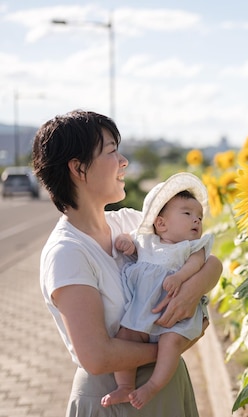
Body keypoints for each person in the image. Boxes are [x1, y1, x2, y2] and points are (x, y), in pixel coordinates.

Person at [32, 109, 223, 417]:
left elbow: (210, 261)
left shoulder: (131, 223)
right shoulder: (67, 253)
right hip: (115, 400)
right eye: (112, 152)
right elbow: (96, 357)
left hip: (169, 385)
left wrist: (193, 289)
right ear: (78, 169)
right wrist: (172, 347)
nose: (124, 162)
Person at [102, 172, 214, 409]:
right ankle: (124, 386)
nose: (196, 220)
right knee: (126, 337)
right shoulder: (146, 240)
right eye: (187, 214)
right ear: (161, 222)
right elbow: (130, 243)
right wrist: (126, 242)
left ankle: (153, 385)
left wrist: (180, 277)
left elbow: (198, 264)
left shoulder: (192, 247)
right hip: (143, 311)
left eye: (199, 217)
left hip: (173, 318)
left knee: (171, 344)